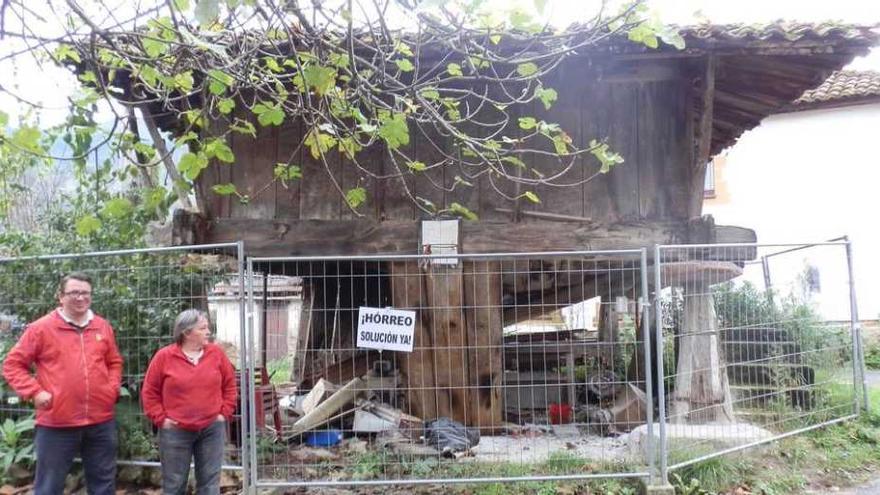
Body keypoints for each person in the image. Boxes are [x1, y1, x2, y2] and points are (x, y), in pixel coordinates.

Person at [2, 271, 123, 495]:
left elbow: (114, 361)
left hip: (100, 421)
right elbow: (12, 365)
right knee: (49, 486)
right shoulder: (41, 328)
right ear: (61, 296)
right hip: (56, 422)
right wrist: (34, 392)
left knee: (104, 485)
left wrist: (112, 387)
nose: (80, 298)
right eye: (74, 292)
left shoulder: (102, 326)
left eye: (85, 293)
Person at [141, 309, 237, 495]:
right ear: (186, 332)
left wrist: (223, 413)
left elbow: (230, 385)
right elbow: (149, 392)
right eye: (203, 328)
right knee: (175, 485)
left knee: (209, 484)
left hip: (211, 429)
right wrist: (162, 419)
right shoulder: (164, 357)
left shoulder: (216, 354)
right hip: (175, 431)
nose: (208, 331)